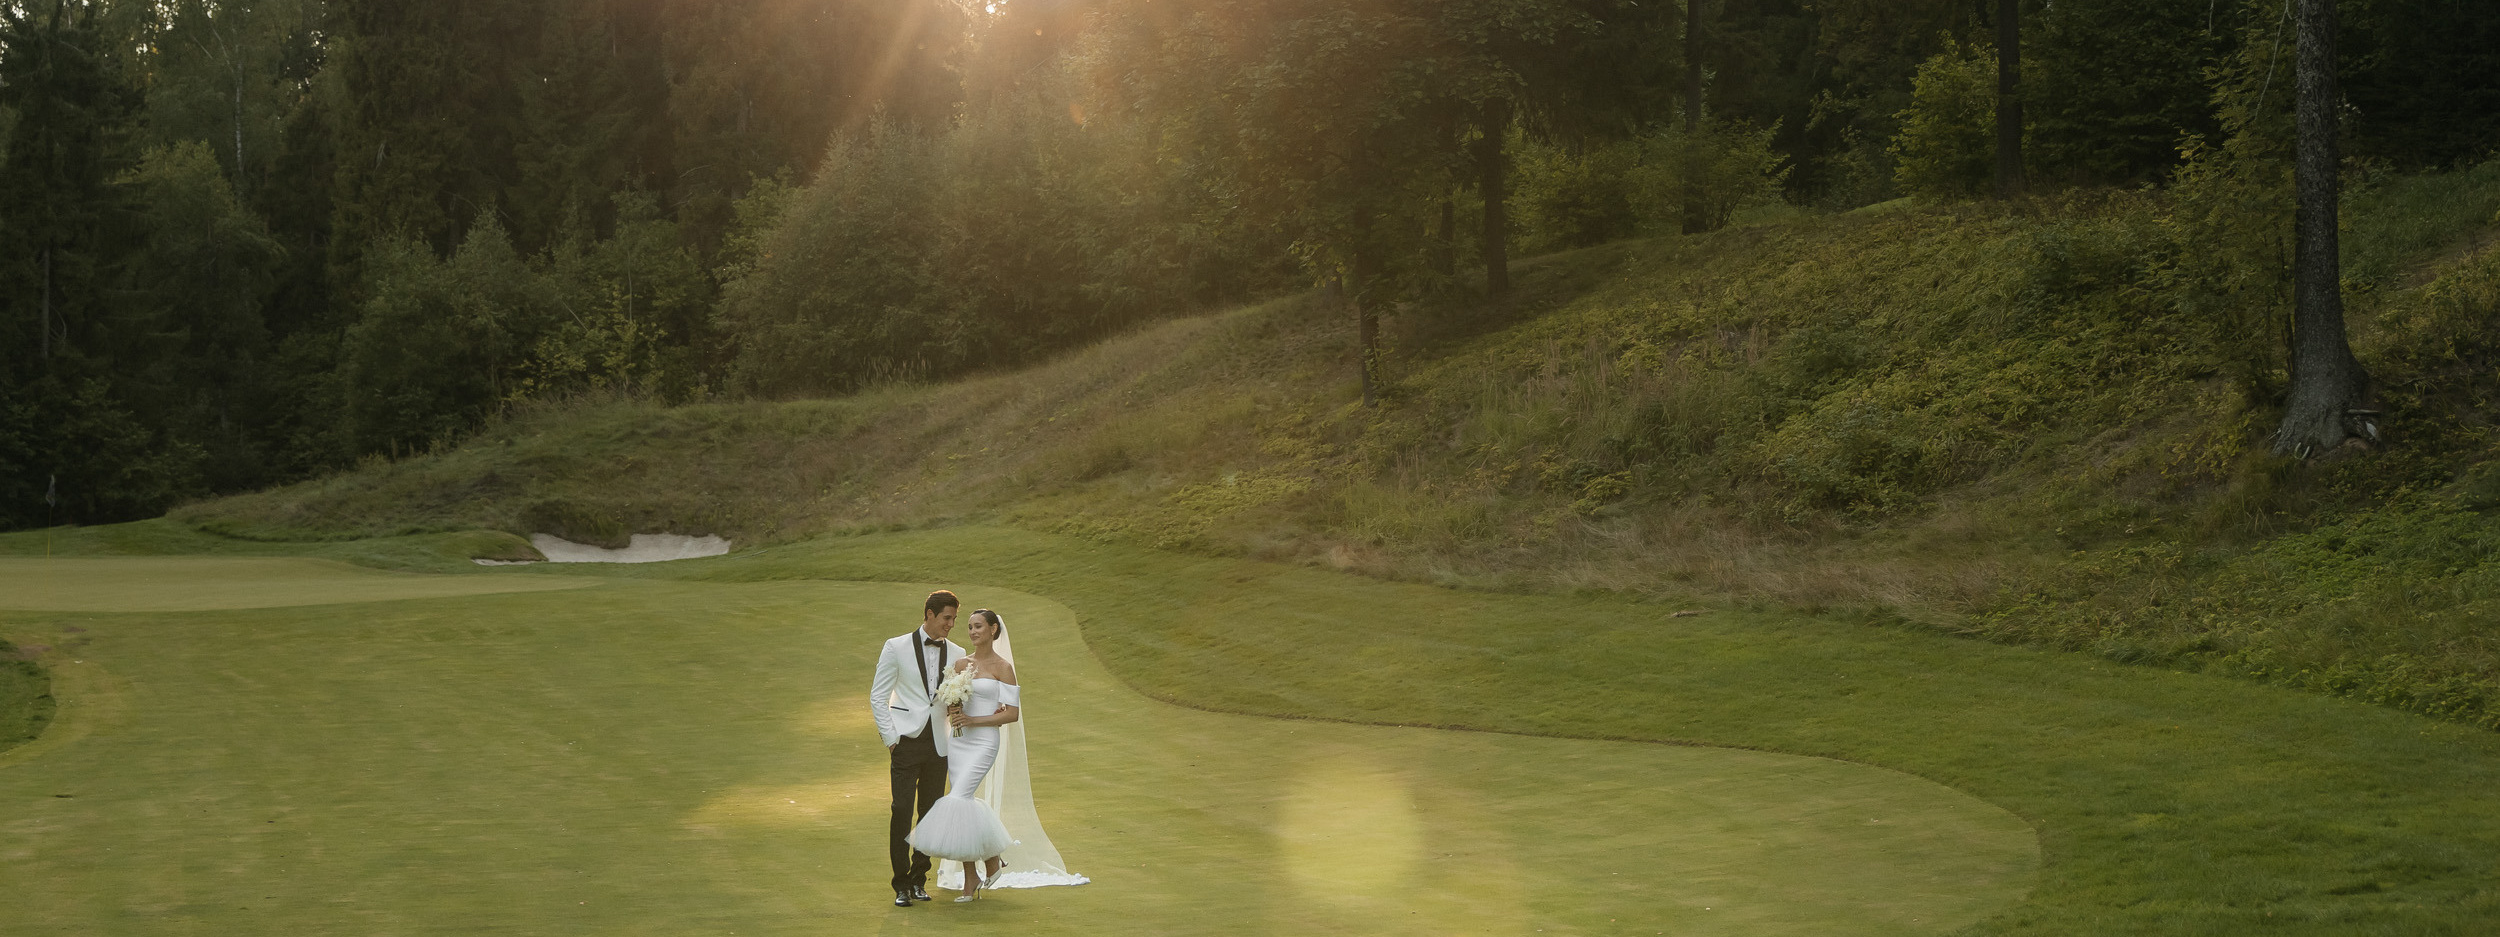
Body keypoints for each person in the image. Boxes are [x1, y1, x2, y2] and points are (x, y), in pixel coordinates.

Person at [906, 607, 1021, 901]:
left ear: (994, 630)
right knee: (963, 802)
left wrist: (975, 720)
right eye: (969, 627)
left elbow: (1011, 715)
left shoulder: (1003, 667)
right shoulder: (960, 664)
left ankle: (992, 857)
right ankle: (972, 877)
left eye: (979, 626)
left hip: (983, 742)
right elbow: (948, 703)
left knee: (958, 799)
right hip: (958, 741)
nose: (972, 631)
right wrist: (954, 708)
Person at [870, 590, 960, 907]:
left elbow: (955, 701)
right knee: (901, 810)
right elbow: (877, 696)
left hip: (939, 745)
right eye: (947, 618)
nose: (951, 624)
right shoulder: (895, 647)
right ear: (930, 614)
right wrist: (891, 739)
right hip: (906, 742)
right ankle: (900, 885)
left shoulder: (959, 651)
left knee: (929, 814)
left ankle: (920, 880)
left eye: (954, 619)